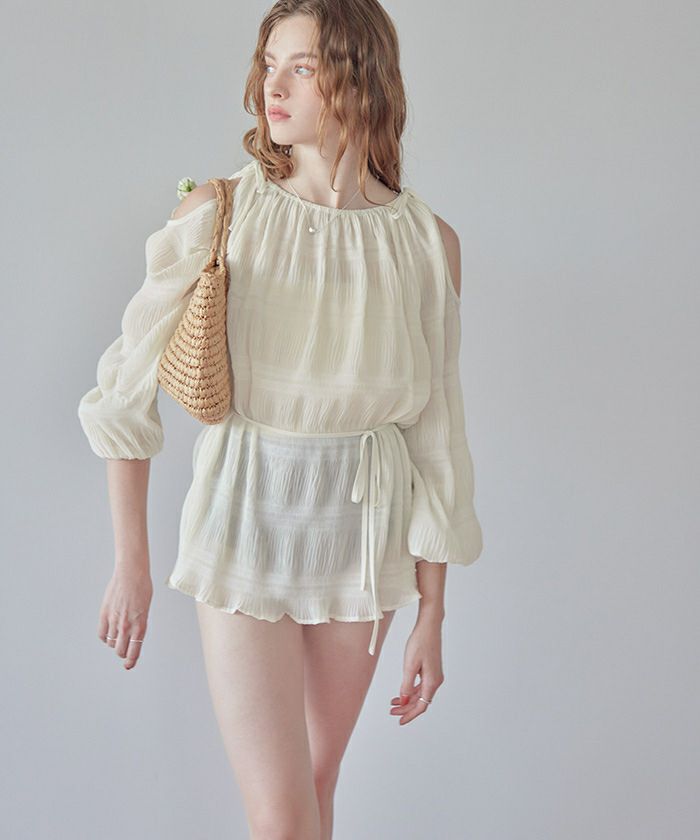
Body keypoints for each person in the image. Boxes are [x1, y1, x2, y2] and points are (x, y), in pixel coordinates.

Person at [77, 1, 483, 837]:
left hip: (364, 536)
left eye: (302, 67)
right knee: (282, 815)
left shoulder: (426, 243)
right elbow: (123, 390)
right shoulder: (220, 213)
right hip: (244, 518)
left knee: (317, 788)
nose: (275, 85)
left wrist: (433, 616)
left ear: (359, 78)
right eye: (270, 64)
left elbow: (438, 440)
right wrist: (132, 562)